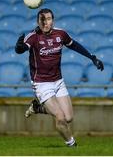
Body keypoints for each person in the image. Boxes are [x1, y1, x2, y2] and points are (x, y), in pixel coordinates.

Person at [15, 8, 104, 147]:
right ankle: (72, 144)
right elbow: (21, 49)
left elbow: (74, 45)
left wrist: (92, 57)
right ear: (38, 21)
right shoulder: (32, 37)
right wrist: (18, 47)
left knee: (68, 117)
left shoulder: (60, 34)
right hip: (41, 83)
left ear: (53, 20)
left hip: (58, 81)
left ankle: (37, 107)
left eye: (48, 19)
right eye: (42, 20)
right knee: (60, 117)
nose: (45, 22)